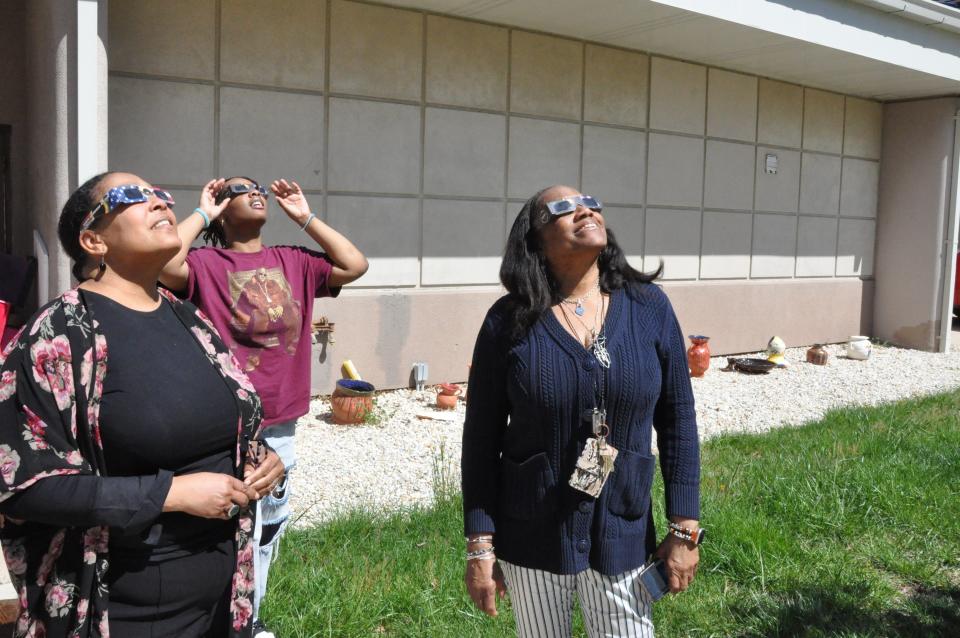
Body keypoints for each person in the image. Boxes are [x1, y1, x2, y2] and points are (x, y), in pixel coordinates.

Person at [0, 172, 285, 637]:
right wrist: (170, 494)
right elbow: (22, 484)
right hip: (123, 608)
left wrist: (263, 456)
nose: (157, 203)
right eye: (131, 196)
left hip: (221, 596)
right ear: (93, 240)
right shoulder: (58, 335)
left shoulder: (189, 319)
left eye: (159, 195)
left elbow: (232, 423)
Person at [461, 185, 703, 636]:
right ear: (534, 238)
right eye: (562, 208)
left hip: (624, 532)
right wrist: (480, 547)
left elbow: (678, 421)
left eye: (590, 203)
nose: (584, 210)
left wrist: (684, 528)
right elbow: (480, 440)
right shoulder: (507, 321)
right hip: (531, 534)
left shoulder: (649, 307)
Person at [159, 176, 368, 637]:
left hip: (281, 423)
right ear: (221, 204)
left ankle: (249, 617)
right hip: (226, 422)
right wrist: (202, 214)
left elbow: (355, 264)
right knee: (233, 528)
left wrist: (305, 217)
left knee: (269, 527)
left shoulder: (293, 261)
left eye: (258, 187)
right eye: (238, 188)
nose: (255, 192)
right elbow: (164, 264)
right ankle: (233, 621)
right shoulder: (205, 263)